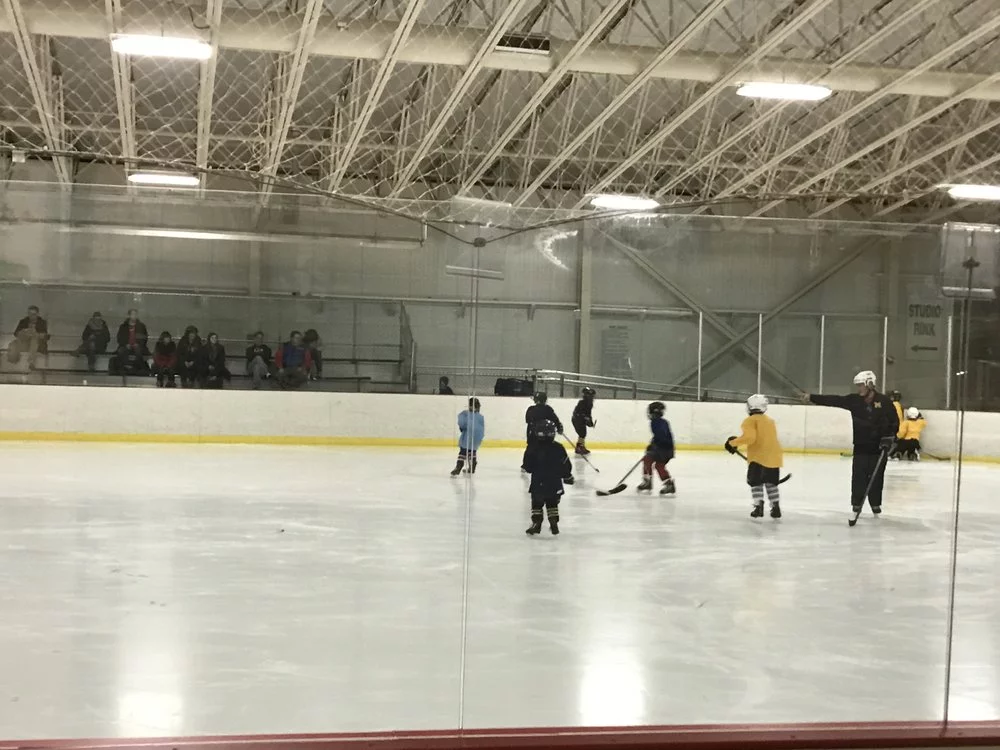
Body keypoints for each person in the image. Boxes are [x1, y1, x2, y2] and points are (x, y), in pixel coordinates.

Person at [803, 370, 898, 516]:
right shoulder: (854, 400)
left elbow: (894, 422)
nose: (859, 388)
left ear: (870, 384)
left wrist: (889, 438)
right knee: (859, 475)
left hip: (879, 447)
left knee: (876, 476)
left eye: (861, 385)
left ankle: (875, 504)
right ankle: (856, 503)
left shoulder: (884, 402)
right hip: (861, 445)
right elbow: (835, 400)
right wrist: (811, 397)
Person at [726, 394, 784, 519]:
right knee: (771, 484)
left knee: (756, 483)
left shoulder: (750, 421)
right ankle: (775, 507)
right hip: (774, 457)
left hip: (758, 458)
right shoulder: (770, 421)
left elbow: (750, 438)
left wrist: (732, 443)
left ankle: (758, 506)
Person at [523, 419, 574, 536]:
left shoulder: (532, 447)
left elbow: (527, 466)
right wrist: (567, 476)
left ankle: (537, 523)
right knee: (552, 502)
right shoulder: (558, 447)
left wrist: (531, 468)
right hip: (554, 482)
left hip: (538, 481)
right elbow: (565, 464)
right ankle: (553, 522)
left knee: (537, 503)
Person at [638, 401, 676, 495]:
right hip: (667, 449)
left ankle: (648, 482)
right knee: (659, 465)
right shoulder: (662, 422)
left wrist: (654, 445)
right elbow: (661, 436)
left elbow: (661, 436)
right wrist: (653, 443)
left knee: (647, 460)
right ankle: (668, 484)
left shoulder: (655, 422)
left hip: (663, 449)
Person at [521, 392, 563, 472]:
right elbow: (555, 419)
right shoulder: (548, 409)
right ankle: (546, 463)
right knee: (546, 448)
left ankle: (526, 465)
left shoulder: (531, 409)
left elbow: (527, 420)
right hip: (546, 435)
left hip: (532, 433)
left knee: (531, 448)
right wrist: (559, 428)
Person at [450, 397, 485, 477]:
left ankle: (459, 466)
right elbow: (482, 428)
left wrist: (462, 428)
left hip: (468, 434)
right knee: (472, 450)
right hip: (478, 436)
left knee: (463, 450)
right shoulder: (480, 416)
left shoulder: (465, 414)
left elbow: (462, 423)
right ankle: (472, 464)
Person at [113, 309, 149, 375]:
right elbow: (119, 338)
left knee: (139, 351)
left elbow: (144, 338)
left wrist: (138, 344)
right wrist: (126, 344)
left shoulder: (141, 326)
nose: (134, 316)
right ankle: (123, 368)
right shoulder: (123, 326)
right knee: (121, 351)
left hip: (138, 346)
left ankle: (137, 369)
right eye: (132, 314)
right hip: (125, 345)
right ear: (129, 315)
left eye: (135, 314)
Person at [572, 387, 596, 455]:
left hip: (580, 420)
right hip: (577, 419)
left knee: (582, 434)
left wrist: (590, 421)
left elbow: (588, 413)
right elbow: (578, 413)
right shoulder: (582, 403)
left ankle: (580, 446)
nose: (592, 397)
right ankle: (580, 447)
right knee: (582, 433)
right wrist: (585, 418)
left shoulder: (589, 404)